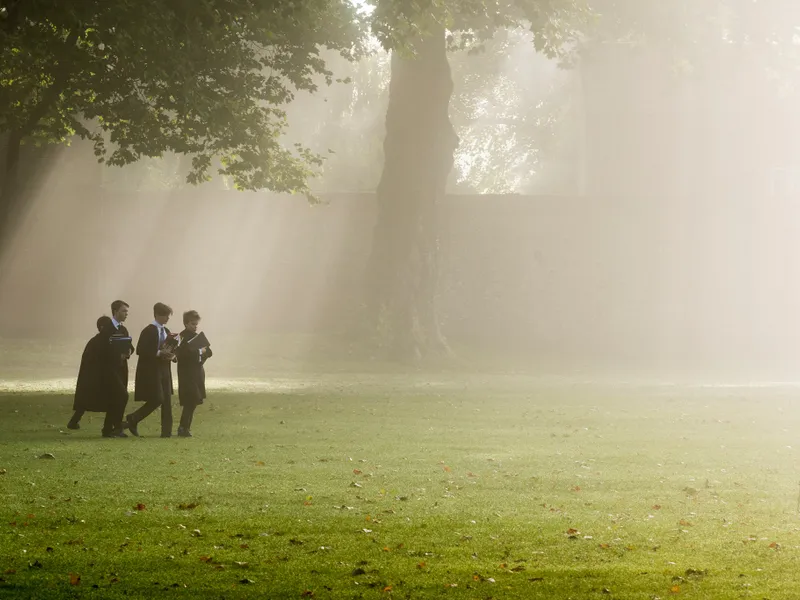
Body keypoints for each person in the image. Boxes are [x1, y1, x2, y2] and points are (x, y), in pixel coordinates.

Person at [125, 302, 176, 438]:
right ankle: (134, 418)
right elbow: (140, 349)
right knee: (157, 398)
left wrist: (172, 354)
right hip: (152, 369)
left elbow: (170, 347)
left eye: (168, 316)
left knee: (166, 400)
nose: (167, 318)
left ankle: (167, 432)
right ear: (157, 315)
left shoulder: (166, 331)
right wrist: (159, 353)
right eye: (165, 315)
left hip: (165, 368)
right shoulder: (149, 330)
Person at [68, 315, 114, 430]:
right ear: (102, 327)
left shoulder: (96, 341)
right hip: (95, 376)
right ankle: (109, 426)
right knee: (110, 399)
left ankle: (75, 421)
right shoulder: (99, 341)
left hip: (92, 376)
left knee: (86, 401)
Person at [175, 310, 212, 437]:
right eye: (192, 324)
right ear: (185, 323)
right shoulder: (181, 337)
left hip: (197, 371)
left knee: (194, 400)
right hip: (186, 372)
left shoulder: (198, 337)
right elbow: (181, 354)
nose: (194, 327)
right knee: (190, 399)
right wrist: (199, 352)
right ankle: (183, 427)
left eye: (196, 324)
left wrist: (203, 353)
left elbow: (209, 351)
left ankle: (185, 427)